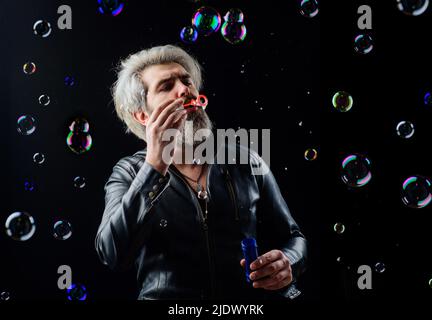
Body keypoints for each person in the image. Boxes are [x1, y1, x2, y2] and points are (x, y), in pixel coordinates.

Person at [95, 44, 307, 300]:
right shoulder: (129, 173)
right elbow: (112, 254)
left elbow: (294, 237)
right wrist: (154, 164)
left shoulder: (244, 159)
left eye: (186, 81)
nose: (185, 89)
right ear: (142, 115)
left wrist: (289, 262)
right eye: (166, 86)